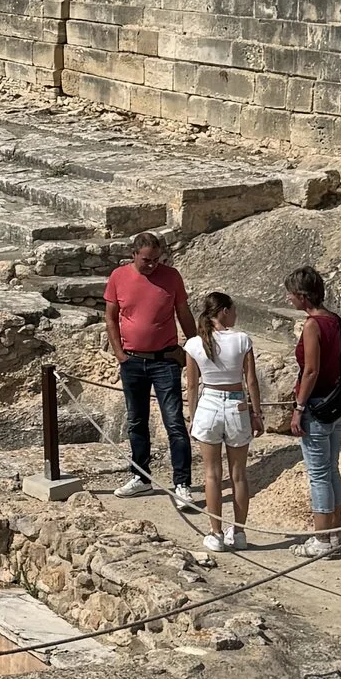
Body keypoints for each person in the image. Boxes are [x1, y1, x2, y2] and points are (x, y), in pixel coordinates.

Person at [104, 229, 199, 510]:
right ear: (134, 255)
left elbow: (183, 314)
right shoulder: (118, 277)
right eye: (146, 260)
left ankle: (182, 484)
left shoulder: (171, 277)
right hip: (132, 360)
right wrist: (120, 354)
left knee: (174, 423)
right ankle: (141, 476)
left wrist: (192, 351)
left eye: (156, 259)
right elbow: (110, 317)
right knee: (136, 421)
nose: (152, 265)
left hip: (165, 360)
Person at [182, 288, 263, 551]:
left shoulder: (195, 343)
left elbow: (192, 386)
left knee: (211, 475)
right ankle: (238, 533)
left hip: (209, 404)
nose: (236, 315)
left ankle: (215, 533)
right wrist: (256, 413)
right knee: (239, 475)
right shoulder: (241, 339)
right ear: (224, 312)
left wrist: (193, 417)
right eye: (234, 311)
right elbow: (250, 380)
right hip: (236, 405)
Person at [285, 264, 341, 556]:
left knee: (319, 474)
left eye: (291, 295)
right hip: (337, 404)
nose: (288, 300)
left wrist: (299, 407)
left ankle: (322, 540)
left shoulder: (312, 325)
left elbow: (310, 371)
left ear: (302, 296)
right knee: (332, 468)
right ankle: (334, 533)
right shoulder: (336, 320)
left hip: (316, 406)